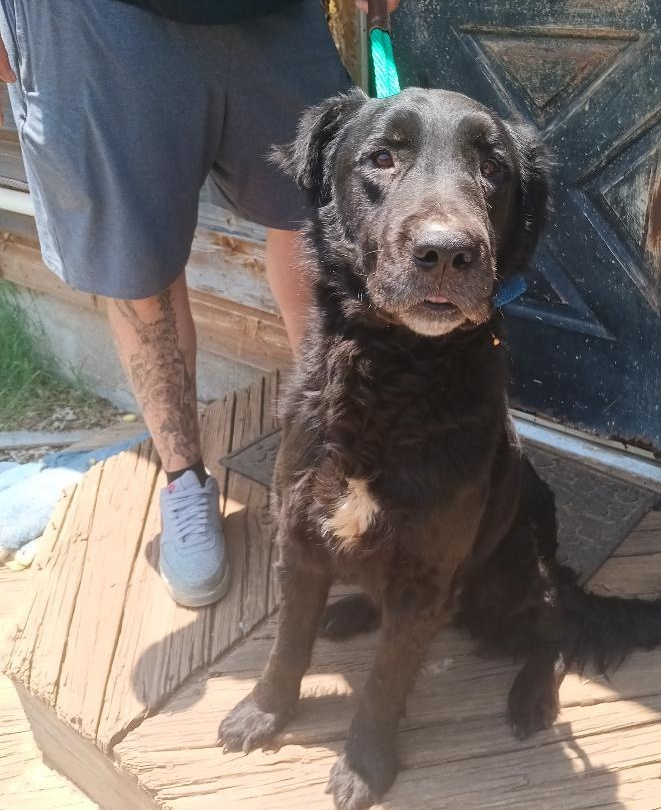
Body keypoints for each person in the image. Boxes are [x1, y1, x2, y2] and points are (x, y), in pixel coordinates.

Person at [0, 0, 395, 608]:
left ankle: (343, 446)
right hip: (87, 23)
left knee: (319, 216)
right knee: (135, 265)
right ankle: (184, 480)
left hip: (268, 16)